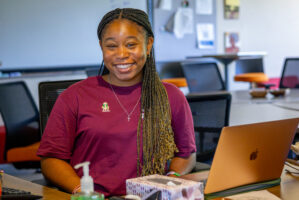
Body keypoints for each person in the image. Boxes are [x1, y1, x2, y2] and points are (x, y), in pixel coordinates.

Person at [37, 8, 196, 197]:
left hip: (151, 196)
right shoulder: (74, 96)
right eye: (111, 46)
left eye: (131, 44)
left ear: (148, 44)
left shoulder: (171, 96)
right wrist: (84, 192)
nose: (121, 54)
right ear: (101, 47)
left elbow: (186, 153)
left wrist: (172, 179)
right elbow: (51, 159)